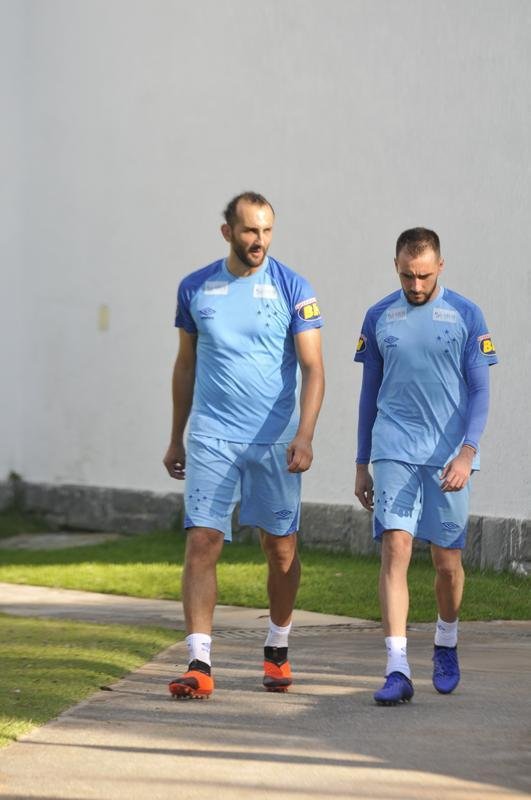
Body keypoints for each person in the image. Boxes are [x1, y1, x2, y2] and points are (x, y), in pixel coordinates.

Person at [163, 191, 324, 698]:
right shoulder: (195, 288)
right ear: (227, 232)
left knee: (280, 552)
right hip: (211, 437)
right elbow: (185, 365)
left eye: (267, 230)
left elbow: (314, 369)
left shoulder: (293, 287)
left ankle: (277, 646)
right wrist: (176, 437)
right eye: (250, 230)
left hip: (275, 441)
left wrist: (305, 434)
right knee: (202, 541)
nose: (260, 241)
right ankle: (199, 662)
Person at [354, 227, 497, 705]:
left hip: (447, 458)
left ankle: (447, 641)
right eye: (406, 275)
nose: (415, 285)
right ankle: (397, 668)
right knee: (395, 548)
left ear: (440, 267)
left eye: (423, 275)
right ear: (396, 267)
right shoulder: (378, 316)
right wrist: (361, 461)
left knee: (447, 564)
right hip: (394, 450)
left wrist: (467, 452)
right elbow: (368, 394)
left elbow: (480, 392)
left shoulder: (466, 315)